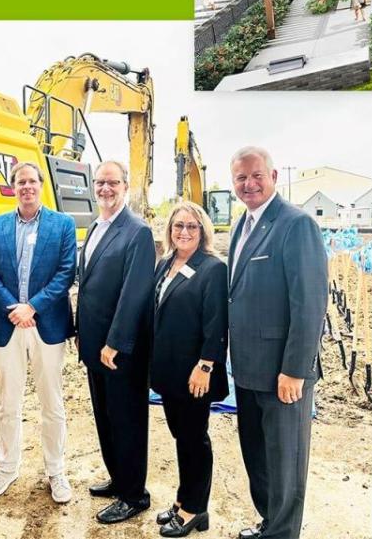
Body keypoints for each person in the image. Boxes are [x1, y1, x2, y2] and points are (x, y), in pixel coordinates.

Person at [228, 147, 328, 539]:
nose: (248, 184)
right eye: (240, 178)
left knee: (286, 464)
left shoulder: (295, 225)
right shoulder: (242, 225)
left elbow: (309, 304)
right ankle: (269, 523)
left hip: (282, 373)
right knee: (259, 458)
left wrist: (295, 370)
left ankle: (283, 532)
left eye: (256, 176)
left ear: (272, 176)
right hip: (249, 370)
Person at [0, 161, 77, 504]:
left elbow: (66, 273)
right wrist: (14, 309)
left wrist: (32, 307)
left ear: (41, 185)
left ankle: (56, 470)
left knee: (52, 403)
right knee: (8, 403)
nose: (26, 187)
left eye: (32, 181)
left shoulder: (62, 225)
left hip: (46, 324)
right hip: (9, 325)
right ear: (13, 187)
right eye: (20, 182)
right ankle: (7, 467)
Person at [77, 160, 157, 524]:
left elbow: (134, 293)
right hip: (95, 346)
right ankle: (118, 478)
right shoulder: (97, 225)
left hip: (119, 350)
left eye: (112, 182)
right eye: (99, 182)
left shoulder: (136, 232)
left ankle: (134, 494)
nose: (105, 189)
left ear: (125, 186)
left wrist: (115, 343)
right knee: (105, 418)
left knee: (127, 421)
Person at [151, 202, 228, 538]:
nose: (183, 232)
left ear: (203, 231)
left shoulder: (212, 268)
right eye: (178, 225)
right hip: (169, 372)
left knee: (194, 439)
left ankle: (195, 509)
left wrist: (206, 365)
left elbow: (216, 324)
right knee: (182, 437)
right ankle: (186, 501)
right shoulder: (166, 263)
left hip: (196, 372)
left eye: (191, 227)